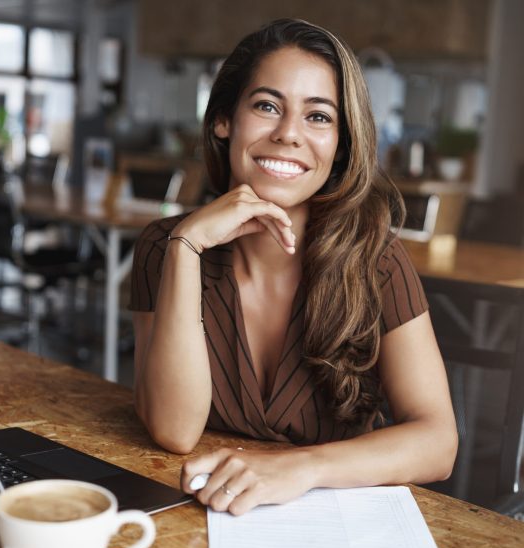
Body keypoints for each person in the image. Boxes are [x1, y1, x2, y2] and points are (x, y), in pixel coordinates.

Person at [129, 18, 458, 515]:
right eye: (266, 106)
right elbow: (174, 431)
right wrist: (187, 246)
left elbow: (438, 442)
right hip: (200, 518)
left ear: (341, 145)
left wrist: (300, 468)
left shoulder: (377, 260)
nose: (288, 134)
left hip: (334, 530)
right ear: (223, 120)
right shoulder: (165, 246)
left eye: (319, 117)